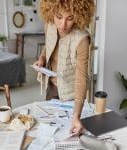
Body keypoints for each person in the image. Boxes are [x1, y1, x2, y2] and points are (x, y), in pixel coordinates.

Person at [34, 0, 95, 135]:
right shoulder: (49, 25)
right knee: (50, 131)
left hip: (71, 95)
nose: (63, 24)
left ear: (78, 15)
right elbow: (48, 45)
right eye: (59, 17)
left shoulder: (82, 39)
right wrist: (42, 59)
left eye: (70, 18)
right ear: (51, 12)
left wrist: (76, 116)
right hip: (51, 87)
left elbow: (81, 78)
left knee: (70, 133)